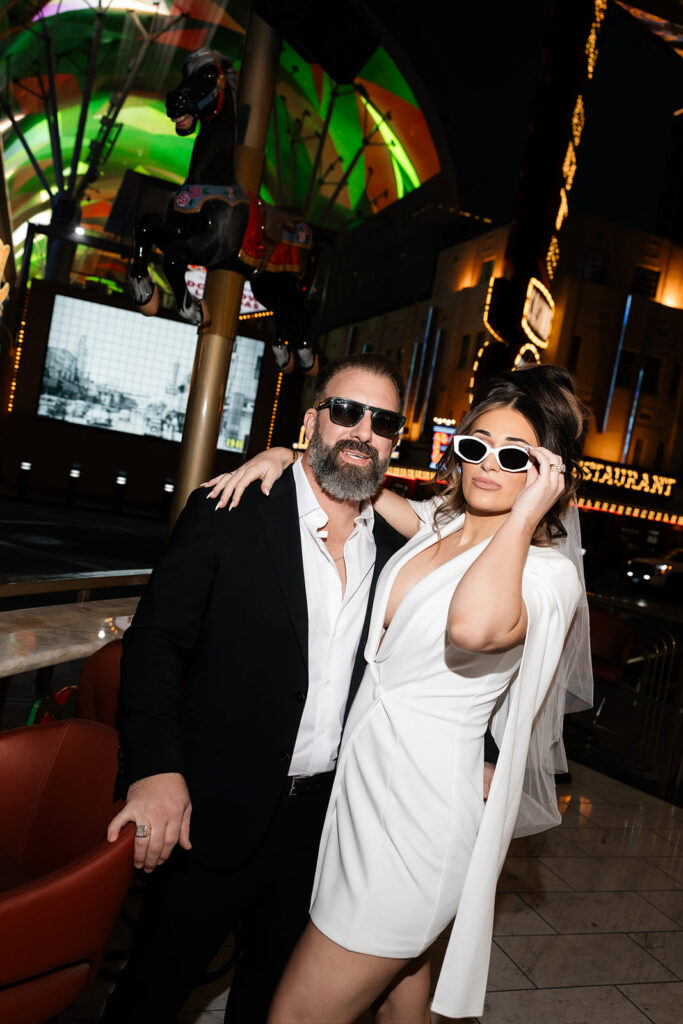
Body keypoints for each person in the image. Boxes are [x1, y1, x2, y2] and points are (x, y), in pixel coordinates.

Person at [101, 351, 498, 1024]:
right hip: (211, 807)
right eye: (345, 412)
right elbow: (156, 644)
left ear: (394, 441)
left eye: (380, 421)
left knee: (270, 1000)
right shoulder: (229, 510)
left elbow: (434, 660)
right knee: (153, 992)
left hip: (329, 823)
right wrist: (156, 769)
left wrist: (483, 748)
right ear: (313, 421)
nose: (360, 431)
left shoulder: (405, 550)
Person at [210, 362, 592, 1023]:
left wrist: (529, 513)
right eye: (474, 446)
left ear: (549, 474)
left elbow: (472, 625)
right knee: (398, 1005)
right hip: (360, 794)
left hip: (417, 819)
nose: (487, 466)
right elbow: (350, 478)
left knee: (295, 1014)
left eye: (514, 456)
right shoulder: (440, 525)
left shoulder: (544, 570)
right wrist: (286, 452)